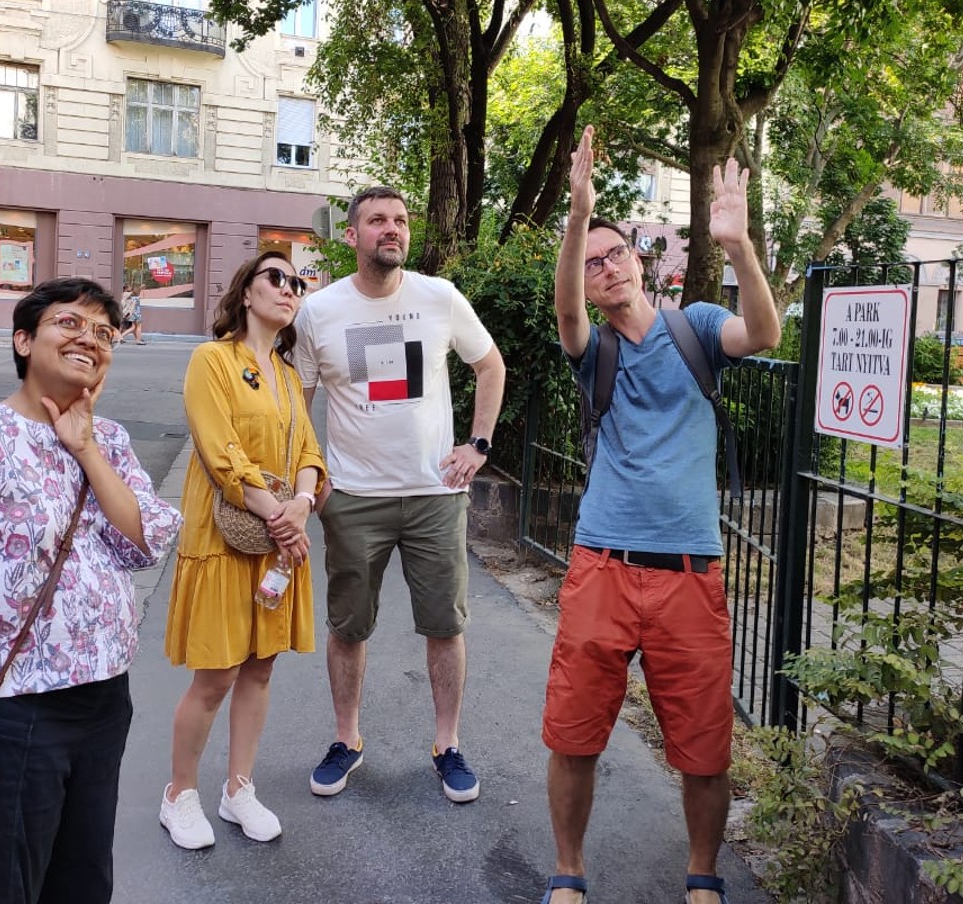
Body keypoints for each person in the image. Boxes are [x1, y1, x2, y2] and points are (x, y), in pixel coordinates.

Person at [538, 128, 781, 904]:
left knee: (705, 747)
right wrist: (579, 215)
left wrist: (738, 246)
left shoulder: (696, 327)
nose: (607, 267)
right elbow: (565, 310)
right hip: (602, 567)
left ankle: (702, 875)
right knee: (574, 736)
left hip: (688, 572)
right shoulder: (592, 350)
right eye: (593, 262)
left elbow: (765, 333)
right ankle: (569, 872)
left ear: (640, 260)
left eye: (615, 254)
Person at [0, 277, 182, 904]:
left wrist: (85, 446)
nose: (90, 339)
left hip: (104, 695)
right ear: (22, 341)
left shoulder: (110, 441)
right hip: (13, 702)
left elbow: (145, 541)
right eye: (69, 323)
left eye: (103, 332)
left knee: (81, 879)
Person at [293, 185, 506, 804]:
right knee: (348, 627)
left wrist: (479, 445)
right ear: (351, 235)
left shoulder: (439, 297)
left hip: (436, 494)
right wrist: (310, 478)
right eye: (378, 220)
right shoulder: (319, 311)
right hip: (353, 497)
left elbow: (490, 366)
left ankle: (448, 745)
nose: (393, 228)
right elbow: (297, 400)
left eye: (401, 220)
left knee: (445, 625)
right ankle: (346, 740)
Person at [159, 252, 325, 849]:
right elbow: (219, 449)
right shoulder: (213, 360)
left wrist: (300, 504)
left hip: (275, 543)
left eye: (296, 282)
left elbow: (308, 451)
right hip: (227, 537)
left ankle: (239, 788)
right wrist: (280, 515)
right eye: (275, 277)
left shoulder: (286, 374)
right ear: (245, 293)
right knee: (217, 674)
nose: (288, 288)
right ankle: (179, 794)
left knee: (260, 668)